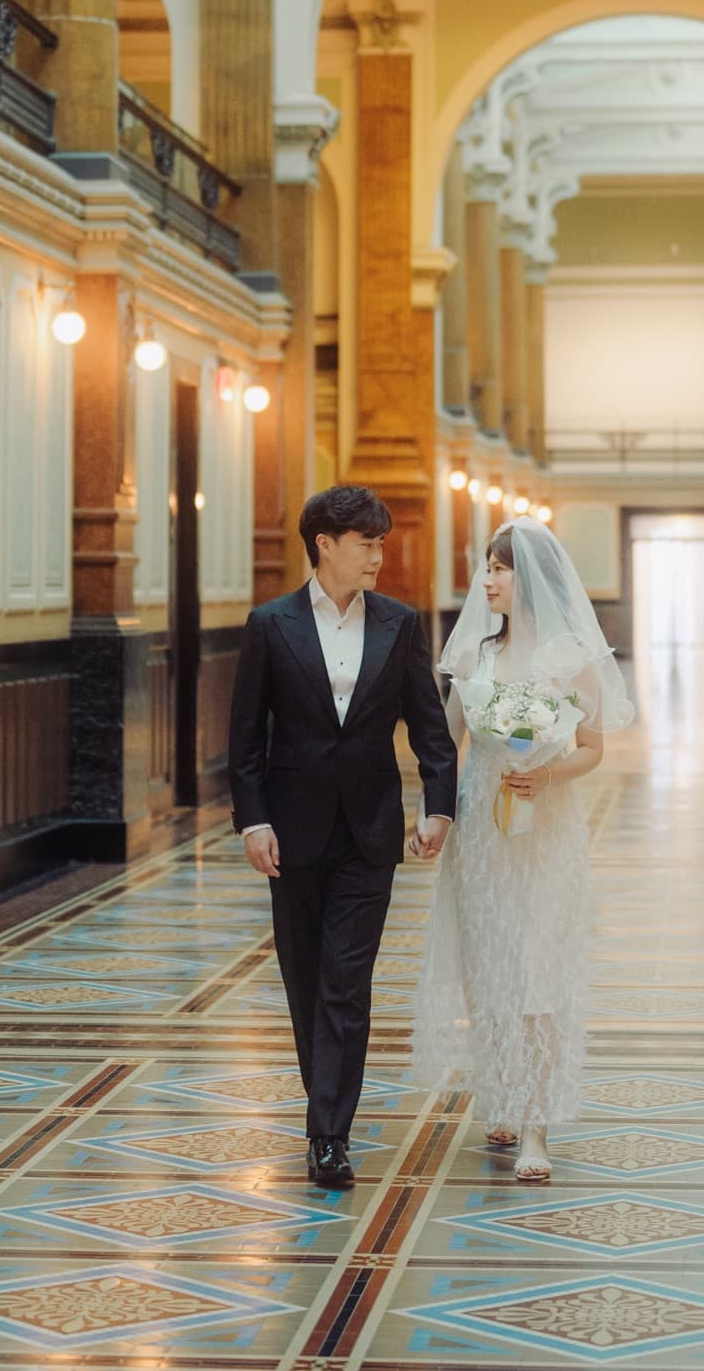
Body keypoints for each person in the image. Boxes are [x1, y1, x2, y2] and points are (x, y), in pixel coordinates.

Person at [228, 483, 459, 1191]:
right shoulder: (270, 624)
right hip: (291, 835)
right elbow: (244, 738)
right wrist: (253, 819)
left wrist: (438, 807)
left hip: (369, 832)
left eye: (383, 543)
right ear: (324, 543)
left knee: (345, 983)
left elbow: (430, 726)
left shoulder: (398, 623)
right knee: (305, 984)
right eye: (367, 543)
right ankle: (324, 1103)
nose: (379, 557)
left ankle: (329, 1135)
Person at [410, 517, 634, 1182]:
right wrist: (433, 813)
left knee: (540, 968)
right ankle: (502, 1093)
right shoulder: (475, 653)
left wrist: (545, 771)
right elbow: (445, 743)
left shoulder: (570, 656)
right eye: (487, 566)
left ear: (529, 578)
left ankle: (536, 1125)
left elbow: (592, 747)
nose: (488, 580)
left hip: (547, 830)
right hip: (483, 827)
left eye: (500, 569)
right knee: (489, 967)